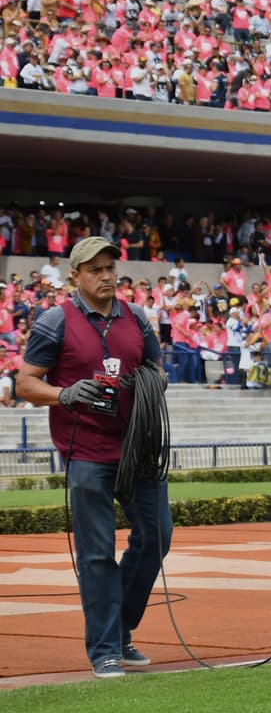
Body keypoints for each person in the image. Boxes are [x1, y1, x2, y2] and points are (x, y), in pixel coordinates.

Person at [15, 236, 171, 679]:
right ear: (76, 276)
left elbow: (156, 369)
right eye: (96, 269)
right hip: (86, 452)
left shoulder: (137, 317)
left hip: (138, 448)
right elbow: (25, 383)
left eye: (110, 268)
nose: (106, 276)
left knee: (158, 535)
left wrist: (151, 383)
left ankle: (119, 629)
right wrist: (65, 393)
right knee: (97, 553)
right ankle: (105, 649)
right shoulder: (54, 321)